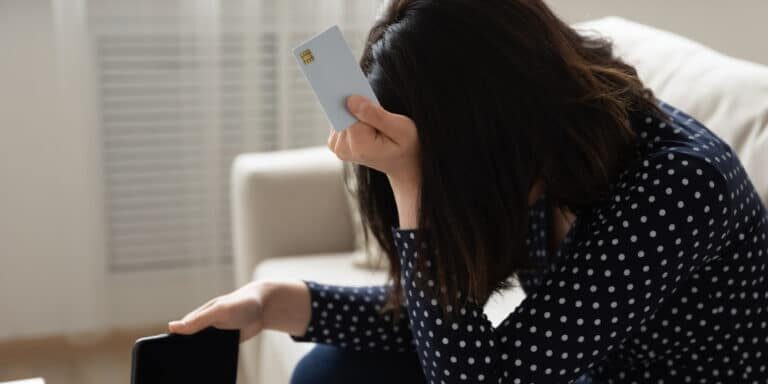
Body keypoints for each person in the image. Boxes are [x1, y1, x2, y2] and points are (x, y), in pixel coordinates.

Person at [168, 0, 768, 382]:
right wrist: (276, 301)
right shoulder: (548, 154)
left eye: (443, 167)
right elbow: (458, 324)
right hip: (579, 366)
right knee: (331, 371)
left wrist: (412, 183)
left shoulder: (679, 187)